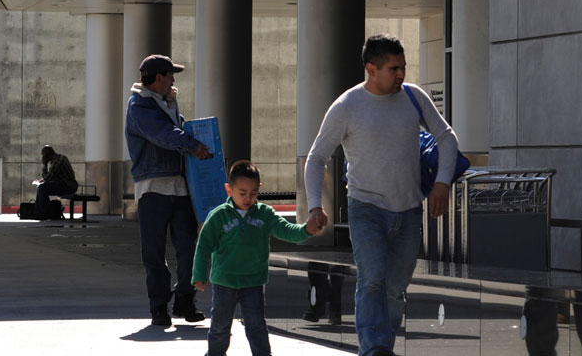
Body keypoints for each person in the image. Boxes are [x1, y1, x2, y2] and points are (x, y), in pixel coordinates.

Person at [304, 34, 460, 356]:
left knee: (393, 290)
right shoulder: (347, 107)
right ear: (371, 70)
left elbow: (446, 137)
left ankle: (380, 349)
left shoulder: (413, 97)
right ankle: (374, 348)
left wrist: (443, 182)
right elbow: (317, 157)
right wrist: (315, 206)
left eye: (403, 67)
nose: (401, 74)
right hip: (366, 207)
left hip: (408, 209)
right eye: (393, 69)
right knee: (372, 279)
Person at [193, 160, 324, 356]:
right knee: (220, 327)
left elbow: (286, 231)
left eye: (253, 193)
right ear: (229, 189)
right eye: (242, 193)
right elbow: (204, 246)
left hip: (253, 282)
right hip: (224, 283)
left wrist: (306, 230)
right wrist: (199, 274)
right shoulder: (219, 216)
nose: (248, 198)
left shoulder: (265, 214)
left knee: (256, 327)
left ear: (259, 189)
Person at [125, 53, 213, 327]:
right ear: (158, 77)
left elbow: (176, 129)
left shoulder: (166, 103)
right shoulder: (139, 106)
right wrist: (192, 145)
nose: (173, 80)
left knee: (189, 247)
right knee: (154, 252)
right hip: (153, 188)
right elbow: (163, 134)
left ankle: (185, 299)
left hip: (179, 186)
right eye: (170, 75)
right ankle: (159, 306)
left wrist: (174, 108)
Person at [35, 145, 78, 220]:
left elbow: (48, 178)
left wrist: (44, 165)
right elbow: (52, 177)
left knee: (42, 188)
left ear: (47, 155)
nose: (42, 158)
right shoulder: (58, 159)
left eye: (43, 156)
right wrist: (43, 180)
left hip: (69, 186)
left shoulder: (59, 161)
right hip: (65, 184)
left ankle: (44, 213)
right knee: (41, 187)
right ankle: (41, 212)